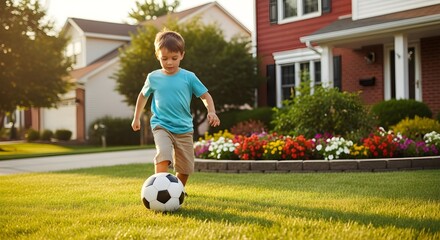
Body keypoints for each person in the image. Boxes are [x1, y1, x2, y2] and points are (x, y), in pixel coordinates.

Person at [131, 29, 220, 189]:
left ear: (182, 55)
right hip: (161, 125)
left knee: (185, 168)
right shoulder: (153, 77)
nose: (169, 62)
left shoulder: (189, 77)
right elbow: (143, 96)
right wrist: (136, 117)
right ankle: (159, 188)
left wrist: (211, 111)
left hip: (184, 128)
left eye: (174, 58)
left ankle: (177, 190)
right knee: (163, 154)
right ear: (157, 56)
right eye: (164, 58)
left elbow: (205, 96)